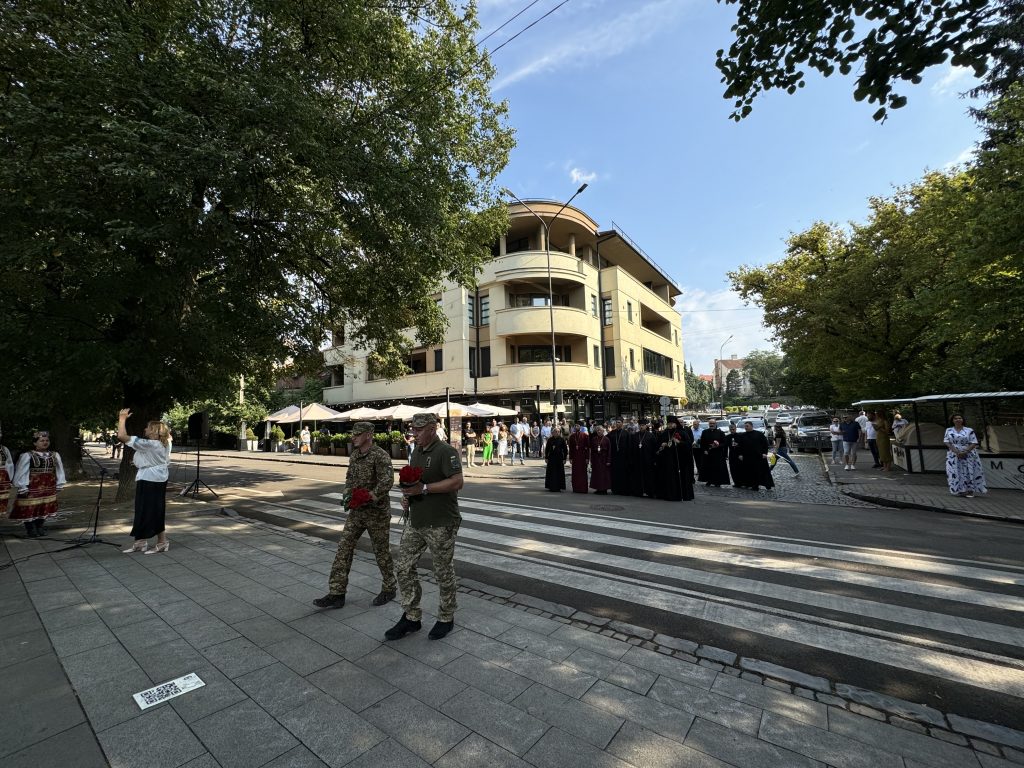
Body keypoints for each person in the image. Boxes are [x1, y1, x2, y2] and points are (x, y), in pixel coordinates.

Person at [388, 413, 464, 641]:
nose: (415, 433)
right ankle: (412, 616)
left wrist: (424, 489)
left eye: (419, 430)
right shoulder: (417, 452)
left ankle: (446, 617)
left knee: (443, 571)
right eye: (413, 429)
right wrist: (408, 498)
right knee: (403, 567)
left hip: (441, 522)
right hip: (417, 520)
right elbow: (415, 484)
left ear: (432, 429)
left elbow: (457, 482)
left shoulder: (445, 452)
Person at [315, 422, 396, 609]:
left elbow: (387, 480)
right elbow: (350, 477)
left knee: (381, 552)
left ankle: (389, 587)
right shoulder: (355, 455)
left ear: (368, 435)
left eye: (357, 434)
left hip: (377, 513)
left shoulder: (380, 455)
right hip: (357, 512)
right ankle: (337, 593)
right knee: (344, 547)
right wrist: (347, 493)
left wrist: (372, 496)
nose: (353, 437)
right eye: (353, 434)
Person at [117, 409, 173, 553]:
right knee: (145, 509)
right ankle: (141, 541)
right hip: (150, 477)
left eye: (148, 427)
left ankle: (162, 542)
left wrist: (122, 418)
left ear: (154, 431)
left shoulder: (152, 444)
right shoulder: (160, 444)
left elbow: (122, 436)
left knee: (153, 510)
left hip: (152, 479)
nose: (145, 429)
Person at [12, 431, 66, 538]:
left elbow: (60, 470)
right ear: (35, 443)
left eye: (47, 440)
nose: (45, 442)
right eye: (42, 441)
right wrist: (22, 486)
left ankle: (39, 526)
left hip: (48, 485)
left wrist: (60, 483)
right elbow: (22, 471)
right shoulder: (28, 455)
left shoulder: (54, 455)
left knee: (44, 506)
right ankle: (30, 529)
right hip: (32, 486)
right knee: (29, 507)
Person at [943, 414, 987, 497]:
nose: (958, 419)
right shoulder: (948, 430)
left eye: (960, 418)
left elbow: (974, 442)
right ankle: (959, 490)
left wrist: (965, 452)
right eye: (955, 418)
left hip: (969, 453)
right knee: (955, 471)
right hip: (953, 454)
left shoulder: (969, 430)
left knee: (968, 471)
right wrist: (957, 452)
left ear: (963, 420)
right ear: (952, 420)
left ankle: (970, 491)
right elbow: (946, 441)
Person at [655, 415, 694, 501]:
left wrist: (679, 442)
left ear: (675, 424)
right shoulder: (664, 433)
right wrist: (662, 444)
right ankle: (669, 495)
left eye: (671, 423)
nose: (670, 425)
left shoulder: (682, 432)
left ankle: (681, 495)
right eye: (668, 423)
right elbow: (658, 445)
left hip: (680, 460)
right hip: (668, 460)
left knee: (680, 477)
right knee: (669, 477)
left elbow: (688, 445)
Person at [735, 421, 775, 490]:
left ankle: (767, 484)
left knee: (763, 471)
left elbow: (765, 444)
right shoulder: (743, 435)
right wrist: (740, 454)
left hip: (759, 456)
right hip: (748, 457)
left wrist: (765, 453)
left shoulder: (759, 434)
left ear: (751, 426)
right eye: (745, 426)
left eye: (747, 426)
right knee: (751, 472)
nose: (745, 428)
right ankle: (753, 485)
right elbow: (740, 446)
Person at [699, 418, 731, 487]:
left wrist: (718, 445)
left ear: (716, 424)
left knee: (717, 468)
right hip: (708, 454)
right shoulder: (705, 432)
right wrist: (704, 450)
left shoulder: (720, 432)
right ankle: (709, 481)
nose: (712, 425)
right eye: (710, 423)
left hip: (718, 454)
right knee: (708, 468)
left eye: (713, 423)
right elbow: (702, 443)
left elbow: (724, 443)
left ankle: (717, 482)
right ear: (708, 424)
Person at [638, 420, 659, 497]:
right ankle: (639, 491)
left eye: (643, 425)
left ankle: (649, 491)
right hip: (638, 460)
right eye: (640, 425)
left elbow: (654, 449)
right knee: (639, 476)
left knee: (649, 476)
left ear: (646, 426)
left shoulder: (651, 436)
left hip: (648, 460)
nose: (641, 426)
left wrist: (654, 460)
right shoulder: (635, 435)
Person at [589, 425, 611, 494]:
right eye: (598, 430)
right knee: (597, 475)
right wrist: (591, 460)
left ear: (603, 431)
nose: (599, 431)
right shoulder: (594, 439)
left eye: (600, 430)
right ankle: (598, 489)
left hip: (604, 459)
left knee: (604, 475)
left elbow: (609, 451)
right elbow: (592, 451)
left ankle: (604, 489)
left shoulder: (606, 439)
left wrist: (608, 460)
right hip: (596, 459)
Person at [568, 424, 590, 493]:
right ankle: (576, 488)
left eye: (578, 426)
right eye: (575, 426)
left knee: (582, 473)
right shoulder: (572, 436)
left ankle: (583, 489)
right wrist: (570, 458)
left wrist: (587, 458)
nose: (576, 427)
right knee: (575, 473)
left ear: (580, 427)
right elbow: (571, 448)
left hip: (582, 457)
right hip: (575, 457)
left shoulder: (585, 435)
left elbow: (587, 448)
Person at [0, 427, 15, 520]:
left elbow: (10, 464)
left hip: (3, 479)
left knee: (2, 501)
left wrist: (9, 478)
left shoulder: (4, 449)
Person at [725, 423, 743, 487]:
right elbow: (725, 447)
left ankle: (741, 482)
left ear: (736, 429)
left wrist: (738, 445)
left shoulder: (740, 436)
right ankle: (736, 483)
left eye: (733, 429)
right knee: (733, 469)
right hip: (732, 454)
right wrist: (725, 455)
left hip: (739, 454)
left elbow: (744, 445)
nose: (732, 430)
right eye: (731, 429)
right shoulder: (728, 437)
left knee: (740, 469)